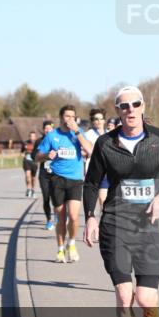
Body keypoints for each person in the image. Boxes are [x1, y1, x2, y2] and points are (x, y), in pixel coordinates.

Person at [83, 86, 159, 317]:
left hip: (150, 226)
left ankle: (151, 307)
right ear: (117, 111)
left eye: (135, 104)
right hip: (116, 224)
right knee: (124, 295)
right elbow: (91, 183)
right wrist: (90, 216)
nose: (130, 110)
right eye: (123, 106)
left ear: (142, 106)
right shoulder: (105, 144)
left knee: (144, 297)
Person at [37, 105, 93, 263]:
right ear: (61, 118)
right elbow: (37, 157)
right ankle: (60, 249)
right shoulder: (52, 136)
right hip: (57, 179)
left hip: (75, 179)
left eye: (72, 116)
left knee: (74, 216)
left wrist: (76, 131)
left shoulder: (78, 133)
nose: (70, 119)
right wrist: (47, 155)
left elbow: (90, 150)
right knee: (61, 217)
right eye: (67, 116)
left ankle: (72, 243)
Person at [33, 121, 55, 231]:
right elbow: (34, 157)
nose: (47, 130)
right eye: (46, 128)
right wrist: (45, 156)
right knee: (46, 197)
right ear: (43, 130)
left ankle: (58, 215)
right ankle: (49, 220)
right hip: (44, 173)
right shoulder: (39, 141)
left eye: (49, 128)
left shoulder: (58, 140)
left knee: (57, 197)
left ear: (53, 129)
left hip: (57, 172)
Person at [22, 131, 38, 198]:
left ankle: (33, 190)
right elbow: (22, 151)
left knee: (33, 178)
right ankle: (28, 189)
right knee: (27, 176)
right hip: (27, 162)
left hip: (34, 162)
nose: (32, 138)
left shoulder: (38, 144)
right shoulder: (25, 143)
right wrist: (23, 156)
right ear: (29, 137)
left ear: (35, 137)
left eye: (33, 136)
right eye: (31, 136)